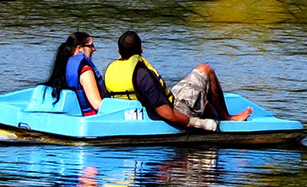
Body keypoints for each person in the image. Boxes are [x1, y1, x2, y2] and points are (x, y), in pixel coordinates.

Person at [103, 30, 252, 131]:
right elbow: (167, 114)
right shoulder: (143, 75)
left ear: (118, 51)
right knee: (205, 70)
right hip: (171, 114)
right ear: (141, 49)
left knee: (190, 79)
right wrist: (197, 123)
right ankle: (228, 118)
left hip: (140, 111)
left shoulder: (112, 70)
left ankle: (205, 103)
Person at [45, 31, 106, 116]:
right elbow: (97, 105)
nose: (94, 49)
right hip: (88, 116)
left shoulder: (63, 65)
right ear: (80, 48)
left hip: (72, 114)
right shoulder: (86, 71)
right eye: (91, 46)